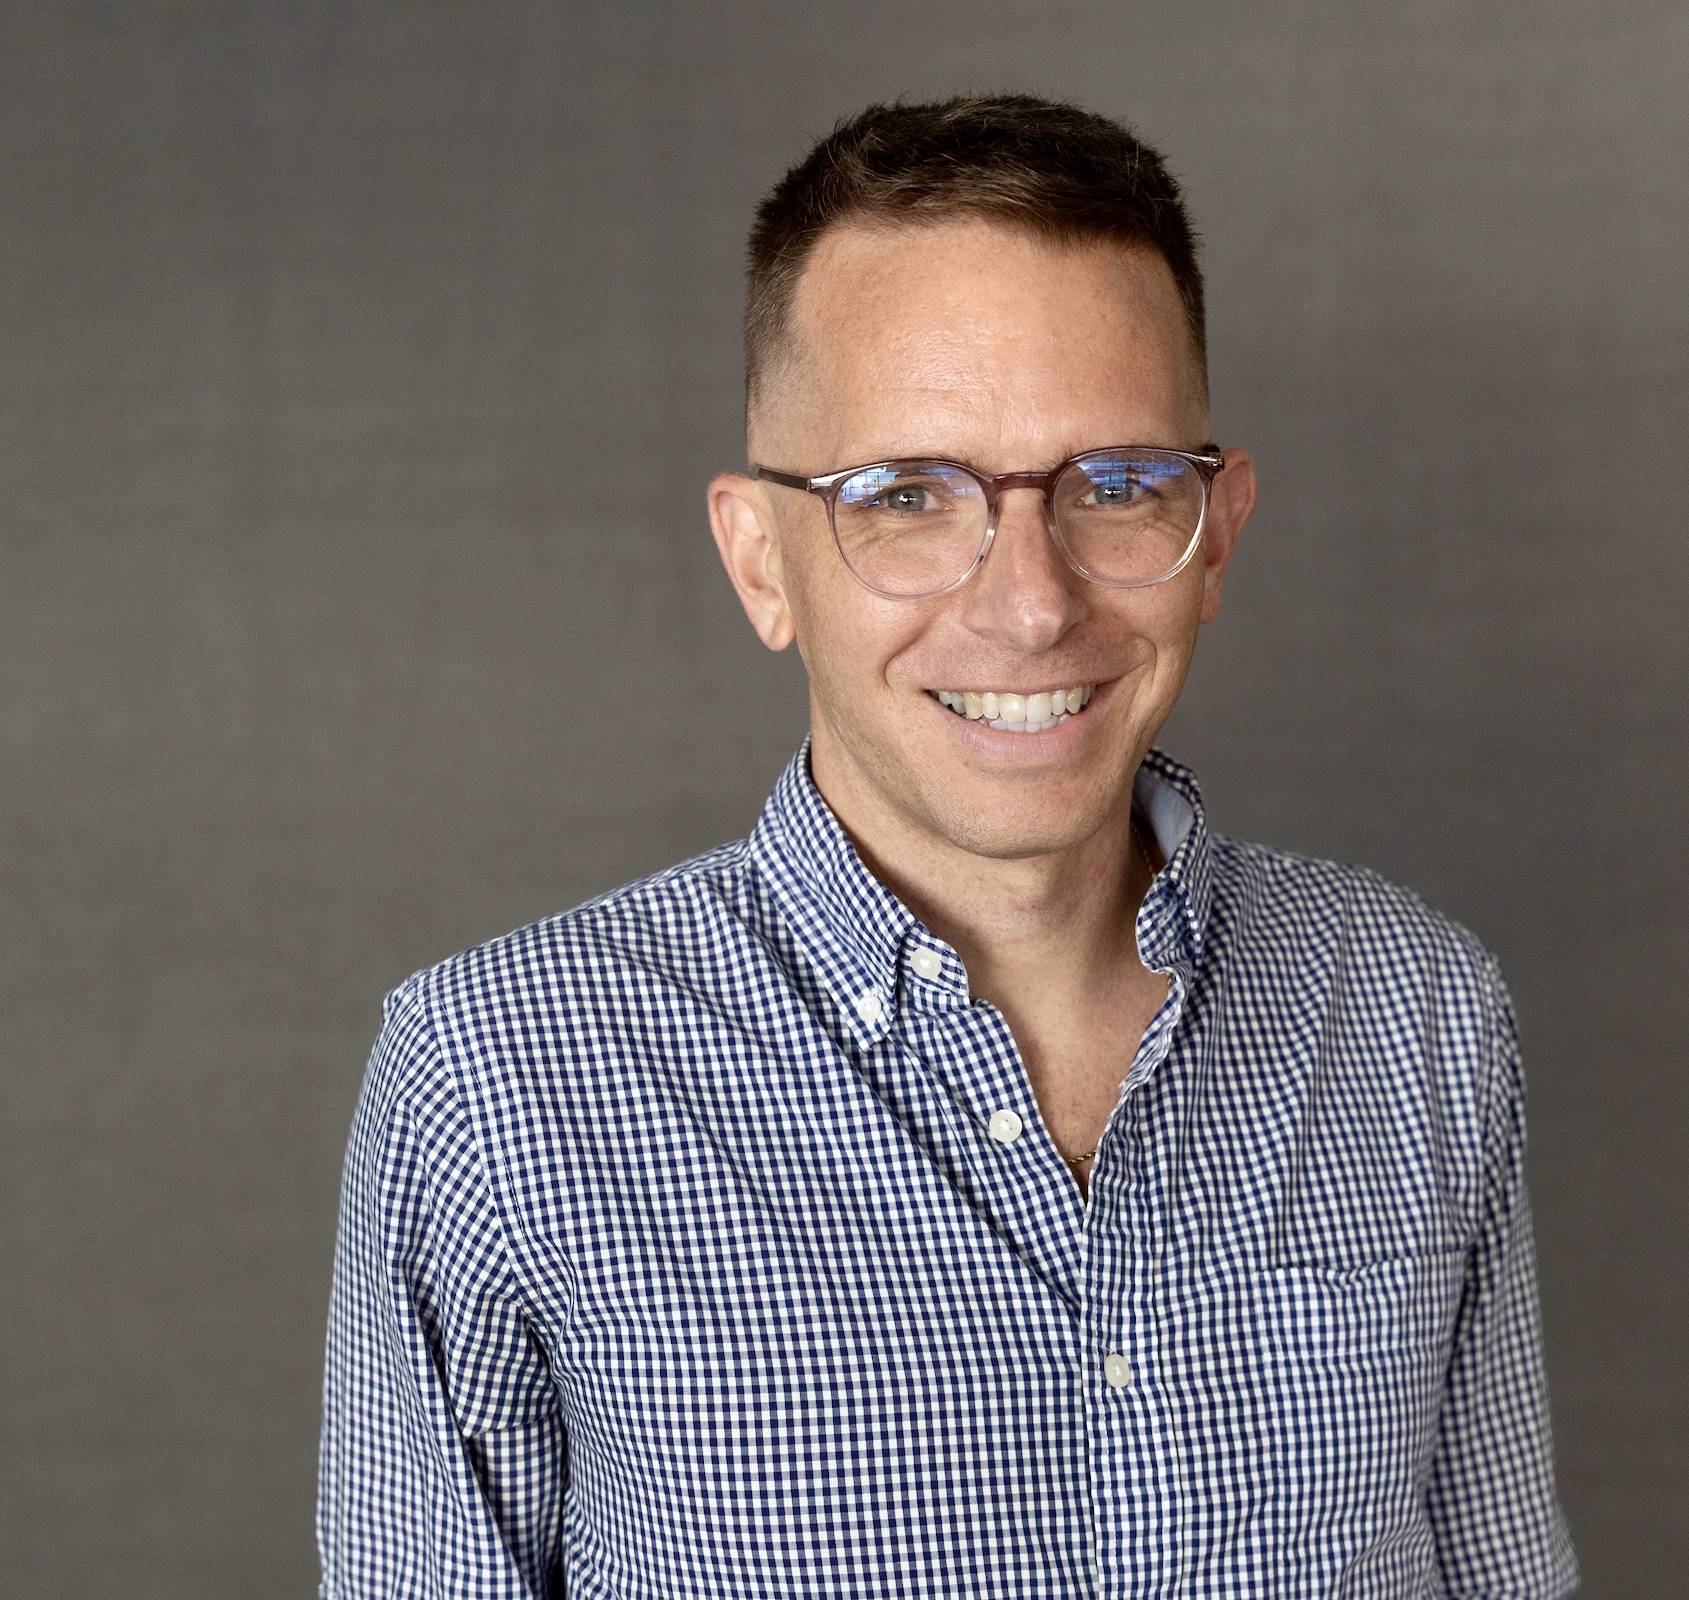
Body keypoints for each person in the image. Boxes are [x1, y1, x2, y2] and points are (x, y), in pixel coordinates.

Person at [318, 94, 1578, 1599]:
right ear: (759, 560)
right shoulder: (496, 1086)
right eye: (906, 497)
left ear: (1218, 534)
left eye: (1115, 486)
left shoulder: (1420, 1010)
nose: (1031, 603)